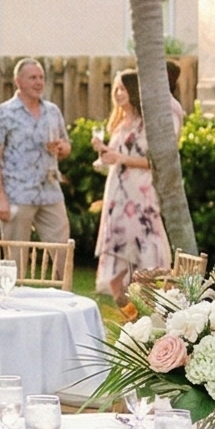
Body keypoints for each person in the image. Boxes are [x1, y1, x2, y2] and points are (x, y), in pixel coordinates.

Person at [92, 70, 170, 295]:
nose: (117, 93)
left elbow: (153, 161)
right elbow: (118, 157)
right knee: (120, 237)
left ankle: (146, 287)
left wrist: (119, 158)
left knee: (139, 236)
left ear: (134, 91)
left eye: (123, 89)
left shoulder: (145, 124)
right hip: (117, 189)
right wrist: (104, 151)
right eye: (116, 89)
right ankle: (121, 291)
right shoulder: (118, 123)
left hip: (139, 191)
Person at [0, 58, 72, 247]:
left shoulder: (52, 111)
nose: (39, 82)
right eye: (33, 77)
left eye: (41, 77)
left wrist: (63, 148)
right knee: (14, 257)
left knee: (63, 251)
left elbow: (65, 145)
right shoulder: (3, 114)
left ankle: (62, 279)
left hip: (51, 193)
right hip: (17, 194)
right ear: (18, 81)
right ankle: (13, 279)